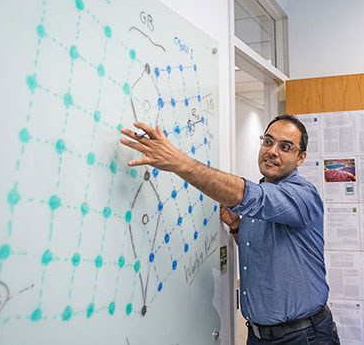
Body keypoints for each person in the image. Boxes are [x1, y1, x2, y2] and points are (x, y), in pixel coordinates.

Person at [120, 114, 340, 345]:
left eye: (285, 147)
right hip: (258, 336)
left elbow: (247, 195)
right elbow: (263, 251)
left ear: (300, 158)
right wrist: (236, 228)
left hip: (304, 337)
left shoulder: (303, 195)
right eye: (268, 141)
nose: (273, 151)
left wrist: (179, 162)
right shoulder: (260, 197)